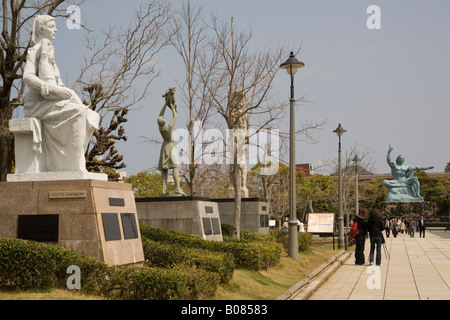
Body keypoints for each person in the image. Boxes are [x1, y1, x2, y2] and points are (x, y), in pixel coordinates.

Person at [23, 15, 99, 172]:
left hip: (52, 102)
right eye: (52, 26)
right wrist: (43, 85)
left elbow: (57, 83)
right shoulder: (35, 50)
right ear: (41, 28)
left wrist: (65, 93)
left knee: (92, 115)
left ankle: (70, 159)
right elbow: (28, 76)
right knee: (78, 112)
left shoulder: (50, 51)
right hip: (38, 105)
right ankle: (74, 164)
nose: (56, 29)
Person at [157, 90, 186, 196]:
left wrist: (166, 103)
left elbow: (160, 114)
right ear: (164, 121)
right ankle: (177, 188)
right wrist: (172, 107)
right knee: (175, 166)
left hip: (164, 147)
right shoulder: (168, 128)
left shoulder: (160, 128)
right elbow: (175, 116)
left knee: (164, 170)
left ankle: (164, 189)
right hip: (170, 147)